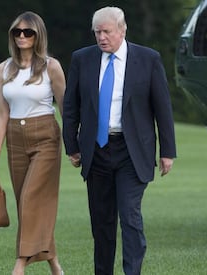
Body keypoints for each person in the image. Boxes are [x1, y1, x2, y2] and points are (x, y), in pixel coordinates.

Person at [62, 6, 177, 275]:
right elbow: (71, 107)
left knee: (129, 216)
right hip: (97, 151)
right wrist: (73, 146)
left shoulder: (148, 59)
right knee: (102, 224)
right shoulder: (83, 59)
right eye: (97, 32)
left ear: (122, 30)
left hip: (132, 151)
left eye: (107, 32)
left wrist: (167, 151)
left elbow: (163, 107)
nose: (101, 37)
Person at [0, 11, 66, 275]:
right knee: (25, 202)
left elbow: (65, 108)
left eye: (27, 32)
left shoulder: (50, 66)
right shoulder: (3, 68)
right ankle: (53, 263)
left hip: (45, 136)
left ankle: (20, 264)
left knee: (32, 198)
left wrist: (74, 146)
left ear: (37, 35)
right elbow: (1, 113)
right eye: (17, 32)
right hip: (14, 139)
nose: (21, 36)